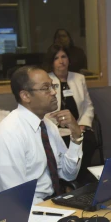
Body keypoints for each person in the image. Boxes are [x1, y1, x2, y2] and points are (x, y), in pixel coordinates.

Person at [0, 65, 82, 204]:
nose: (54, 92)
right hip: (24, 212)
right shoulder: (8, 135)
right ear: (25, 96)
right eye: (45, 88)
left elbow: (68, 174)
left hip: (50, 203)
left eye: (53, 86)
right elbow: (14, 197)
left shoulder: (48, 125)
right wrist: (52, 211)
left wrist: (76, 136)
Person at [46, 44, 98, 184]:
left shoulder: (79, 78)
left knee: (89, 141)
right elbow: (45, 110)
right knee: (63, 146)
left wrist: (82, 125)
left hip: (78, 127)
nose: (61, 61)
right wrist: (57, 125)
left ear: (69, 59)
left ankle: (79, 182)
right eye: (56, 58)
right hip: (57, 129)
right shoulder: (46, 80)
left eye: (64, 57)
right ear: (52, 62)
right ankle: (66, 182)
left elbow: (88, 105)